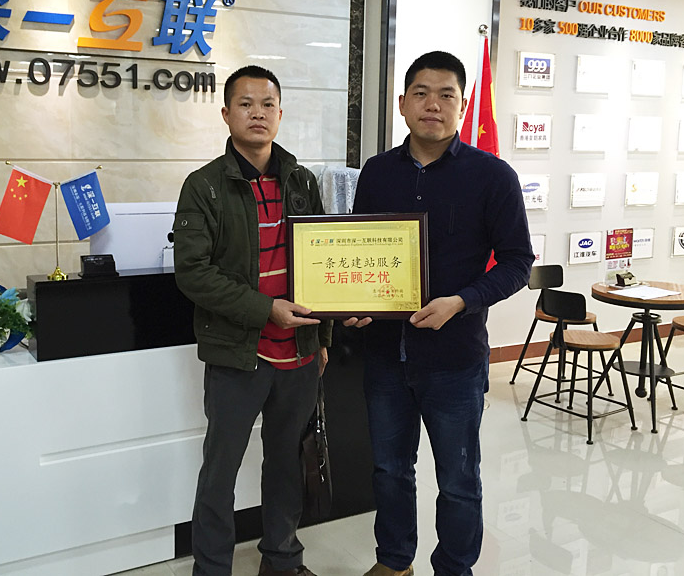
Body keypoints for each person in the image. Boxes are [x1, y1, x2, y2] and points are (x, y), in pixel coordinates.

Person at [348, 51, 534, 576]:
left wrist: (462, 301)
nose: (433, 104)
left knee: (457, 478)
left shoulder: (492, 176)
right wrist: (355, 306)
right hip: (386, 354)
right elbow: (359, 249)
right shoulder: (377, 172)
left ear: (463, 105)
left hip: (454, 358)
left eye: (446, 94)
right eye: (422, 93)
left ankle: (454, 567)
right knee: (389, 470)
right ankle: (394, 562)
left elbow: (518, 262)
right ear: (402, 104)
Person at [173, 65, 333, 576]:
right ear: (226, 114)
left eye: (267, 104)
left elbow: (322, 261)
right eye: (245, 104)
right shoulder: (204, 186)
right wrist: (266, 309)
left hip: (299, 354)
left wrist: (323, 338)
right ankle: (212, 569)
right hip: (238, 353)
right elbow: (193, 273)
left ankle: (282, 560)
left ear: (280, 114)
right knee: (220, 472)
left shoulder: (301, 181)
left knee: (286, 462)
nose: (257, 113)